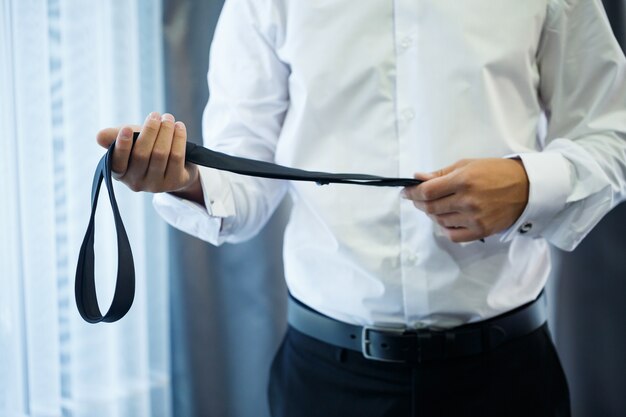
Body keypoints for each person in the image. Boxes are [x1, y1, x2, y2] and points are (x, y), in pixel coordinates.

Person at [97, 0, 626, 415]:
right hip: (326, 383)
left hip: (507, 379)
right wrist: (183, 179)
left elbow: (613, 135)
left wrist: (527, 185)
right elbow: (243, 182)